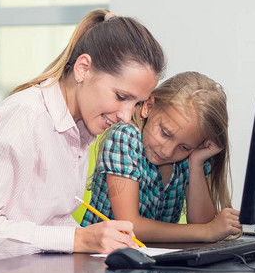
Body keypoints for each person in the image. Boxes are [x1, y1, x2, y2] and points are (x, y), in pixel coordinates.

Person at [0, 9, 165, 263]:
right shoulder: (24, 117)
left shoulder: (81, 131)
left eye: (136, 103)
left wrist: (90, 237)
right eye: (121, 96)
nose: (127, 117)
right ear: (83, 69)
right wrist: (78, 239)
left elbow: (47, 221)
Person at [81, 71, 242, 242]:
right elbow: (128, 225)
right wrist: (207, 232)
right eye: (165, 133)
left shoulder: (187, 158)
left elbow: (203, 223)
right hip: (99, 260)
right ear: (148, 107)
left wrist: (196, 163)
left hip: (149, 260)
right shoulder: (125, 138)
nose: (167, 152)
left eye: (184, 146)